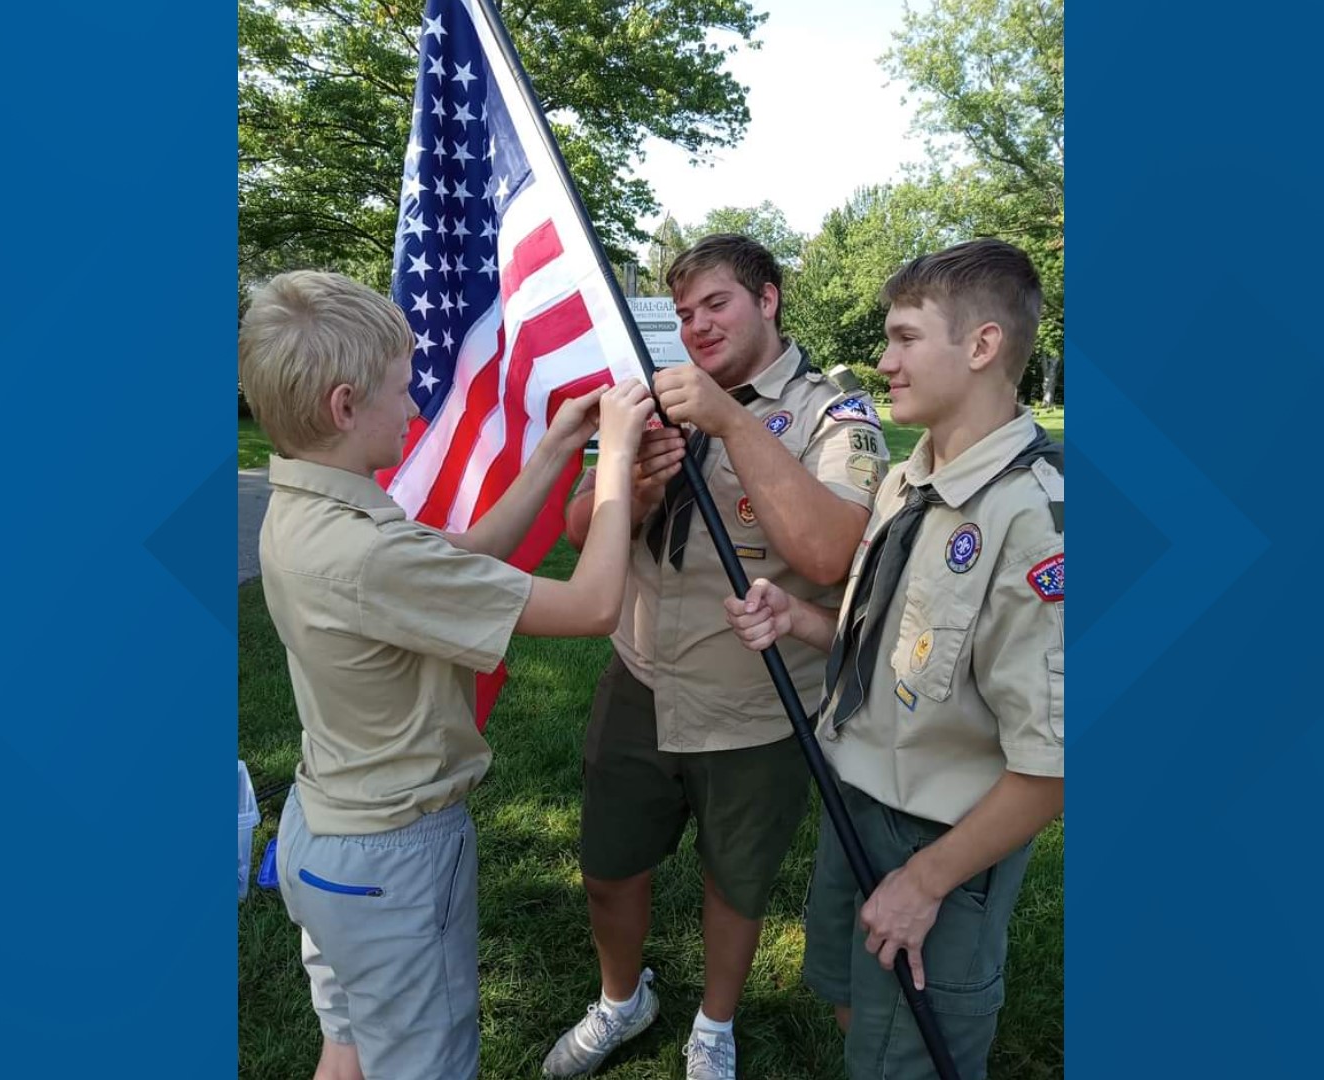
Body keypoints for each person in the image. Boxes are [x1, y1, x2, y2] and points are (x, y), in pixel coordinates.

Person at [238, 269, 656, 1080]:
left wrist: (557, 449)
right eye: (402, 390)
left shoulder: (315, 509)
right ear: (345, 407)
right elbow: (595, 604)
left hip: (325, 839)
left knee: (350, 1042)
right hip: (393, 861)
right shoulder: (367, 551)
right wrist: (619, 465)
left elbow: (464, 557)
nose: (417, 407)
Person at [548, 235, 890, 1078]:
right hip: (639, 679)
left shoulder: (831, 414)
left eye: (717, 304)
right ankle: (622, 1001)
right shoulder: (656, 400)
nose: (697, 325)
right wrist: (645, 487)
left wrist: (730, 420)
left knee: (735, 883)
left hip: (754, 702)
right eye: (686, 310)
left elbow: (827, 555)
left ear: (767, 299)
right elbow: (581, 532)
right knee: (607, 866)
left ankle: (714, 1026)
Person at [723, 239, 1065, 1079]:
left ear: (982, 346)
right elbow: (902, 639)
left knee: (916, 1053)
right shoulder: (911, 480)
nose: (883, 362)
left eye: (906, 338)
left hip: (944, 838)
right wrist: (804, 620)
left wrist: (925, 882)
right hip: (859, 796)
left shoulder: (1035, 518)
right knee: (858, 1013)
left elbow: (1056, 760)